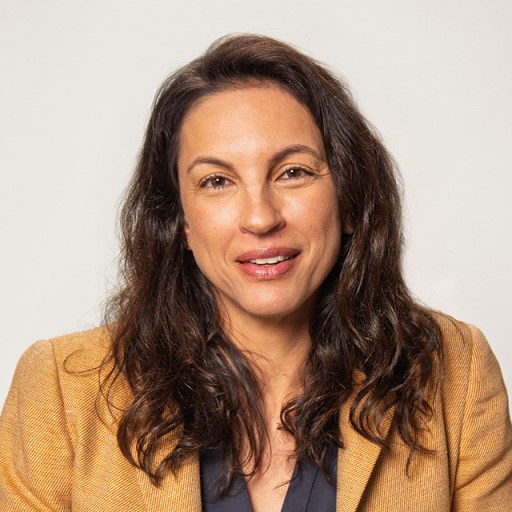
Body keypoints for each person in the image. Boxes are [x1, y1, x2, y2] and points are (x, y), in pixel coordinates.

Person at [0, 34, 510, 512]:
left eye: (293, 172)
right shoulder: (59, 391)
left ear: (349, 199)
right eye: (216, 181)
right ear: (181, 221)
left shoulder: (456, 373)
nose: (261, 218)